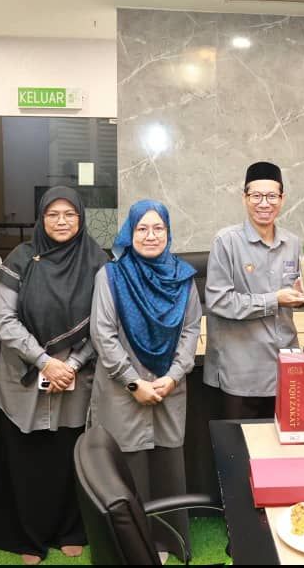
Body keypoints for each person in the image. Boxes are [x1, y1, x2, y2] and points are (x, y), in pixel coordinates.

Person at [0, 187, 108, 565]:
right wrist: (44, 362)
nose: (61, 221)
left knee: (68, 454)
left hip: (76, 374)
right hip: (25, 372)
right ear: (41, 218)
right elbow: (2, 319)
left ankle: (71, 529)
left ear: (81, 218)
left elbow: (105, 321)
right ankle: (29, 535)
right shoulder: (22, 258)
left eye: (70, 214)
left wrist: (72, 364)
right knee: (28, 458)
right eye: (53, 214)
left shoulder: (98, 260)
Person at [90, 200, 201, 563]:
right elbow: (103, 334)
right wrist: (133, 382)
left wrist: (173, 376)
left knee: (167, 463)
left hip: (169, 385)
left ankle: (168, 541)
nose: (151, 236)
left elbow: (191, 329)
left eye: (158, 229)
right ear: (129, 233)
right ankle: (131, 547)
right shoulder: (111, 275)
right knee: (129, 465)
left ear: (168, 233)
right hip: (123, 387)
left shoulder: (183, 277)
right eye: (142, 229)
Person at [204, 161, 304, 419]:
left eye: (271, 196)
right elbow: (219, 301)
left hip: (284, 365)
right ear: (245, 198)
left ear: (282, 199)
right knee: (239, 443)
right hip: (242, 372)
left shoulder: (293, 243)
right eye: (256, 196)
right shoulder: (226, 241)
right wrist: (275, 299)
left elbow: (293, 292)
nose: (264, 203)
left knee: (282, 441)